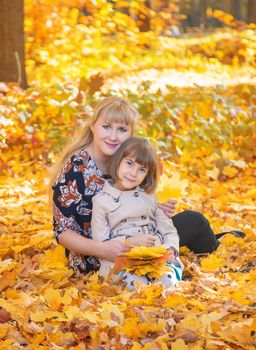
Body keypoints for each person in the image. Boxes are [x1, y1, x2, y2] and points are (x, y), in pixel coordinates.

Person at [51, 96, 244, 275]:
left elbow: (138, 202)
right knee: (193, 224)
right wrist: (103, 248)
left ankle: (213, 246)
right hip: (97, 257)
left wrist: (157, 209)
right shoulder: (75, 169)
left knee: (194, 220)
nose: (113, 136)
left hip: (140, 237)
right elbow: (62, 232)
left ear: (130, 133)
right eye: (107, 127)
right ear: (93, 126)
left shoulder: (126, 160)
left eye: (122, 130)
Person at [91, 137, 183, 288]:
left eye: (141, 169)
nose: (133, 173)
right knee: (136, 286)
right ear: (118, 161)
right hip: (124, 262)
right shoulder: (101, 201)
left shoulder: (151, 196)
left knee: (167, 283)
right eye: (129, 163)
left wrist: (171, 249)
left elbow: (168, 230)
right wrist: (130, 242)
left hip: (158, 258)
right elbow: (101, 244)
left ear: (147, 174)